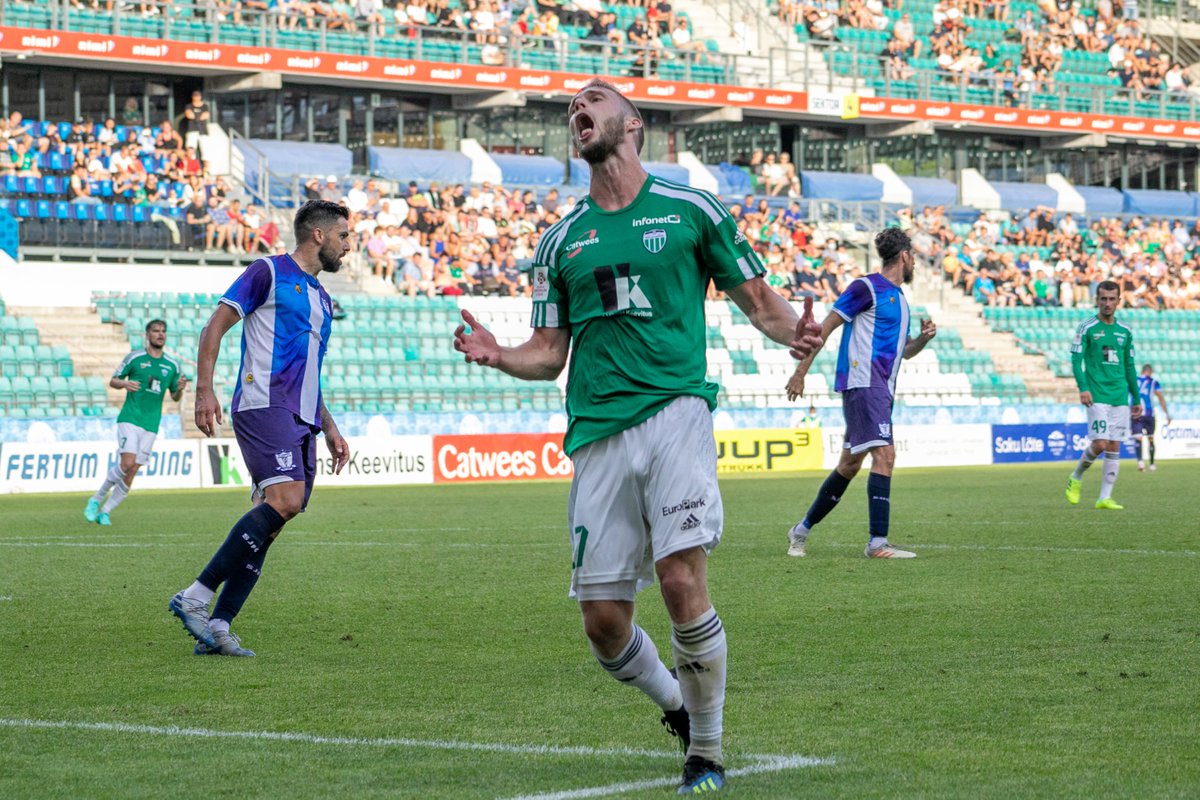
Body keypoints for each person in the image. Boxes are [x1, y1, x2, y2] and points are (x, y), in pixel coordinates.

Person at [453, 78, 820, 795]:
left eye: (591, 100)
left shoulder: (692, 209)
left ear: (633, 121)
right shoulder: (559, 241)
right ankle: (678, 706)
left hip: (677, 411)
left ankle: (706, 755)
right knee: (602, 624)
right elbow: (548, 352)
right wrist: (500, 354)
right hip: (596, 432)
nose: (576, 112)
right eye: (569, 110)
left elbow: (762, 303)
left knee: (682, 579)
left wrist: (795, 334)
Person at [168, 200, 351, 657]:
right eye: (344, 236)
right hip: (263, 403)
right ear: (319, 236)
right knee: (284, 502)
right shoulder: (267, 271)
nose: (349, 245)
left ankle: (219, 627)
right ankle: (195, 594)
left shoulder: (323, 299)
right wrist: (204, 390)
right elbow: (216, 325)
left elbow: (310, 370)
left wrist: (329, 427)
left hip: (303, 416)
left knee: (272, 521)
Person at [783, 228, 937, 559]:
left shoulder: (900, 301)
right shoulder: (865, 287)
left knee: (850, 464)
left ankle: (801, 530)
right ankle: (877, 543)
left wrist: (923, 339)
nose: (915, 266)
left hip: (881, 386)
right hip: (863, 381)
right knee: (886, 455)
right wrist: (800, 373)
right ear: (905, 257)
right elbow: (822, 329)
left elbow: (905, 352)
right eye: (914, 259)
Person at [84, 321, 187, 526]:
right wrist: (125, 383)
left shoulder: (172, 365)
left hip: (151, 424)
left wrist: (181, 388)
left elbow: (174, 396)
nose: (160, 334)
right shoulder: (135, 357)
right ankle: (95, 499)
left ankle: (105, 511)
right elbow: (114, 380)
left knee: (131, 472)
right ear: (147, 334)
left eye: (163, 331)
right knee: (127, 463)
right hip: (130, 418)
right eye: (156, 331)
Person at [1065, 281, 1141, 510]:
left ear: (1119, 300)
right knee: (1100, 443)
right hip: (1097, 393)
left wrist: (1136, 398)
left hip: (1119, 395)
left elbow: (1130, 366)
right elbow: (1076, 360)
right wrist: (1083, 387)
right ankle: (1076, 477)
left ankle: (1104, 498)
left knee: (1114, 446)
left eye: (1111, 299)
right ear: (1096, 300)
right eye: (1103, 299)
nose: (1107, 303)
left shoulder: (1125, 331)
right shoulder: (1087, 327)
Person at [1133, 363, 1169, 472]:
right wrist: (1167, 413)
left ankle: (1140, 462)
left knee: (1138, 438)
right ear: (1150, 372)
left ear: (1142, 371)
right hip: (1149, 414)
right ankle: (1152, 464)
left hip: (1137, 413)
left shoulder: (1134, 380)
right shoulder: (1153, 382)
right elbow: (1160, 397)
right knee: (1151, 439)